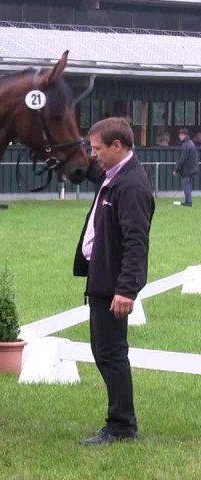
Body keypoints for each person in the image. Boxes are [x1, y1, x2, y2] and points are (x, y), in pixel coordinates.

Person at [74, 117, 155, 446]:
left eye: (96, 149)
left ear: (117, 147)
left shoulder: (131, 187)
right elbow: (92, 171)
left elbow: (137, 242)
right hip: (101, 279)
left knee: (111, 353)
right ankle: (120, 421)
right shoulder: (113, 175)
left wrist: (126, 290)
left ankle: (122, 425)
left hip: (113, 286)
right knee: (103, 350)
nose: (93, 155)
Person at [173, 128, 199, 207]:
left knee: (186, 186)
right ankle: (188, 201)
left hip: (187, 170)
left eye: (181, 135)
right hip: (192, 169)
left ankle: (188, 202)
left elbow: (182, 158)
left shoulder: (186, 145)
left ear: (185, 135)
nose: (179, 137)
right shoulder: (191, 143)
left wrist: (176, 169)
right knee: (188, 186)